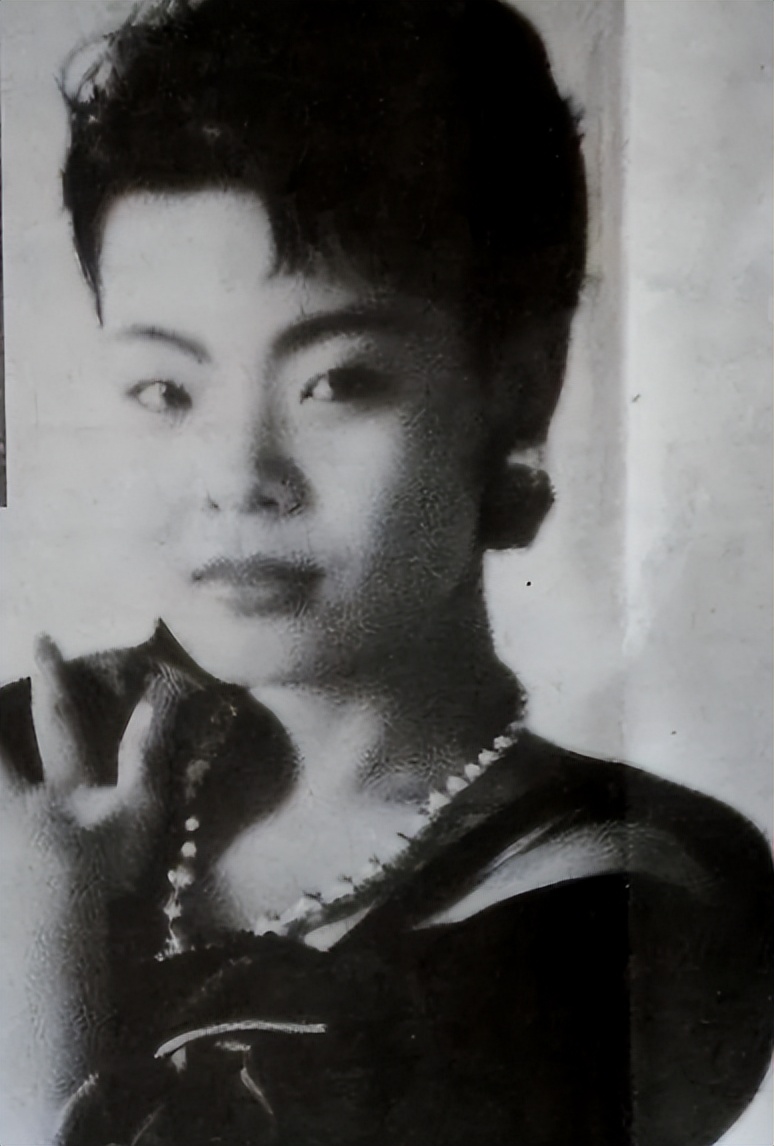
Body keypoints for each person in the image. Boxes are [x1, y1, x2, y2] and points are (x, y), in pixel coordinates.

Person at [0, 1, 771, 1143]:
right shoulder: (27, 758)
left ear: (520, 386)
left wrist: (42, 935)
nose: (238, 477)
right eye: (167, 390)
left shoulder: (622, 906)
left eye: (338, 382)